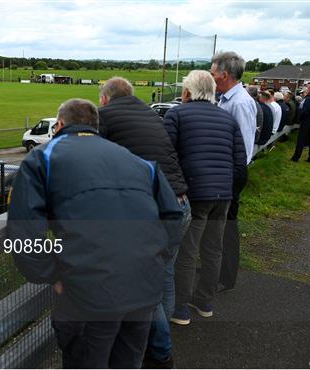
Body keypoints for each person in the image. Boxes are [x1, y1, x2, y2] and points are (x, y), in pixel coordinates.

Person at [7, 98, 183, 369]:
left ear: (59, 125)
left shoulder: (43, 157)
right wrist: (154, 259)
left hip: (88, 296)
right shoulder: (137, 161)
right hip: (143, 289)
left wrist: (50, 273)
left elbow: (23, 231)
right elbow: (173, 215)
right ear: (96, 126)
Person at [98, 77, 190, 368]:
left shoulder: (104, 117)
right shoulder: (150, 113)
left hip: (152, 211)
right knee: (163, 274)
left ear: (104, 99)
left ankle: (160, 353)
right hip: (180, 205)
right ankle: (159, 345)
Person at [164, 70, 246, 324]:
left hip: (194, 192)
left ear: (187, 92)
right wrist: (230, 189)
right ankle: (204, 301)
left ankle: (180, 308)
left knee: (187, 251)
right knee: (213, 249)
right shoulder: (227, 118)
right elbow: (240, 162)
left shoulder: (176, 114)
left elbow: (167, 156)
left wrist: (178, 189)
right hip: (223, 194)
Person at [210, 51, 256, 292]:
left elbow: (245, 147)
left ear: (224, 75)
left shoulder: (239, 102)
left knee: (227, 226)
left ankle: (226, 278)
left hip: (231, 174)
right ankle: (218, 269)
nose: (210, 77)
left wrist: (231, 177)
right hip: (226, 172)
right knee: (218, 225)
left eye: (212, 74)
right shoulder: (227, 98)